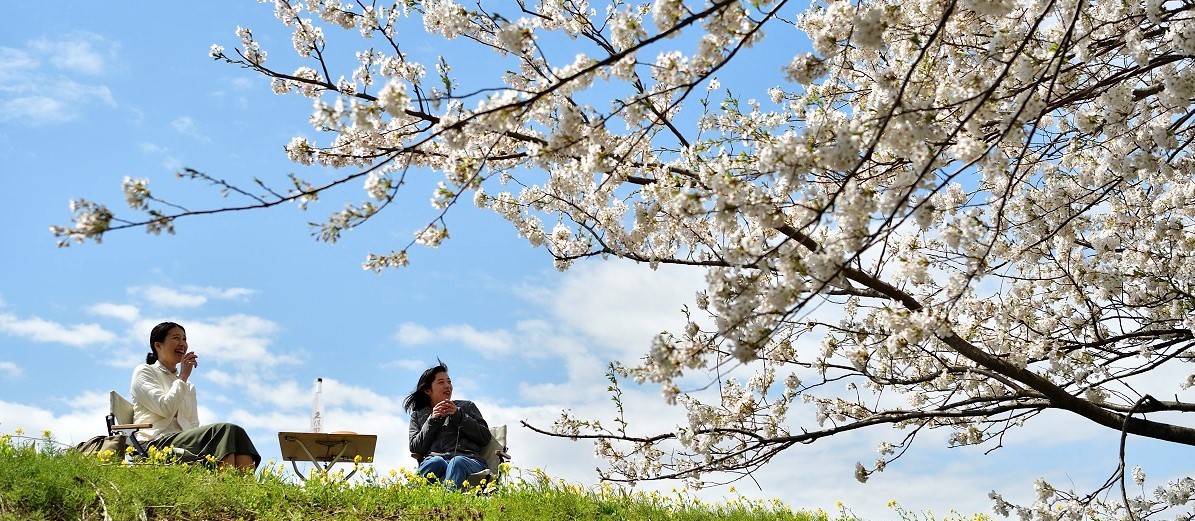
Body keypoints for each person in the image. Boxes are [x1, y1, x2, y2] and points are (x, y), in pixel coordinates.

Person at [130, 321, 260, 471]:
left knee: (236, 433)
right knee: (226, 430)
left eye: (184, 339)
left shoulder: (188, 386)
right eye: (176, 338)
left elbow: (192, 424)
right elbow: (165, 408)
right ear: (158, 345)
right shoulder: (145, 372)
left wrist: (182, 379)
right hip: (156, 441)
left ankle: (243, 489)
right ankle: (224, 488)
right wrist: (183, 376)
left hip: (181, 440)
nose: (182, 344)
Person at [405, 361, 491, 488]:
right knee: (436, 461)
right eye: (441, 382)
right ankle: (405, 499)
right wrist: (432, 420)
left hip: (469, 461)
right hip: (436, 460)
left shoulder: (467, 407)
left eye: (449, 382)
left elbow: (485, 437)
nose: (447, 386)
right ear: (428, 390)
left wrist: (459, 416)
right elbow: (415, 447)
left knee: (457, 461)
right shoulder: (418, 415)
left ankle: (447, 504)